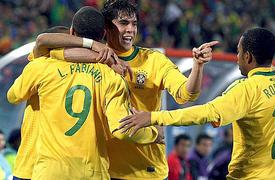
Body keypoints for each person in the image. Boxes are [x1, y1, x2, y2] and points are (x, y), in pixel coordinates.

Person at [32, 1, 217, 179]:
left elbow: (186, 94)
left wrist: (198, 67)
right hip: (107, 170)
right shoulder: (93, 59)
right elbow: (45, 44)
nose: (130, 29)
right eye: (123, 23)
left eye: (134, 24)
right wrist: (94, 46)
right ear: (107, 29)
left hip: (147, 169)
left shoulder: (154, 60)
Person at [119, 27, 275, 179]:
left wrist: (152, 116)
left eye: (239, 52)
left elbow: (204, 113)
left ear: (248, 57)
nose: (236, 58)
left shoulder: (247, 89)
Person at [7, 6, 161, 180]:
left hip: (42, 168)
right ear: (104, 34)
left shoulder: (42, 65)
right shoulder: (111, 75)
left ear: (72, 33)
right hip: (92, 171)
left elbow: (12, 96)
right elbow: (121, 129)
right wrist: (155, 133)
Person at [11, 26, 70, 180]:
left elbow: (12, 96)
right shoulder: (84, 72)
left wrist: (36, 60)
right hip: (63, 167)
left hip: (30, 164)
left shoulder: (39, 67)